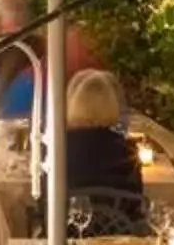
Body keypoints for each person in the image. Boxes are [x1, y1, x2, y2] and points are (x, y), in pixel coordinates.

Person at [62, 68, 145, 203]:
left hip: (66, 223)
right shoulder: (127, 151)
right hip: (119, 223)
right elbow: (136, 202)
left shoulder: (58, 149)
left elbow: (44, 200)